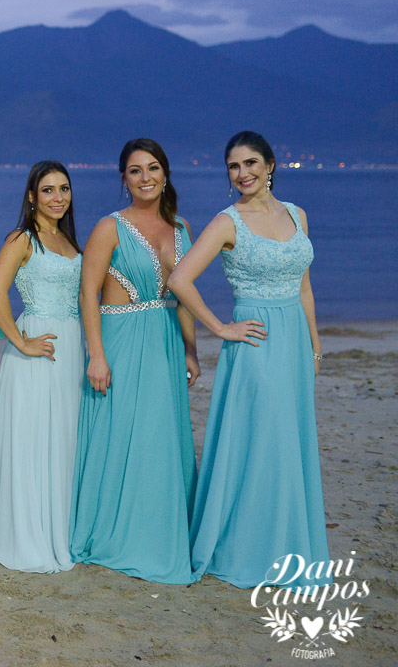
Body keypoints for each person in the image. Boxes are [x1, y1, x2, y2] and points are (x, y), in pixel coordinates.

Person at [168, 131, 329, 589]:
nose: (244, 174)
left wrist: (314, 344)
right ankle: (247, 548)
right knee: (261, 441)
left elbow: (304, 286)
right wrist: (220, 328)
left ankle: (284, 546)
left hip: (295, 342)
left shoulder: (297, 215)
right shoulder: (226, 222)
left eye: (251, 163)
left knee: (288, 441)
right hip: (254, 342)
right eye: (234, 167)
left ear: (271, 164)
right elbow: (180, 279)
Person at [69, 138, 200, 584]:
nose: (145, 177)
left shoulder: (180, 227)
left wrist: (191, 349)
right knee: (123, 436)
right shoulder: (110, 227)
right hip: (121, 340)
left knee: (160, 439)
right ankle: (115, 533)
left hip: (164, 341)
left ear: (165, 173)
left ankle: (159, 531)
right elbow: (87, 293)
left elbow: (183, 296)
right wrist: (96, 355)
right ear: (123, 179)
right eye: (135, 170)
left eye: (153, 168)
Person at [0, 160, 84, 573]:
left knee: (62, 437)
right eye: (48, 190)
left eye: (64, 189)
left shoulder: (69, 241)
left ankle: (59, 525)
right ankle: (28, 533)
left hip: (71, 346)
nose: (57, 198)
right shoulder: (23, 238)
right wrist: (19, 340)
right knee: (34, 436)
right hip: (36, 346)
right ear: (31, 196)